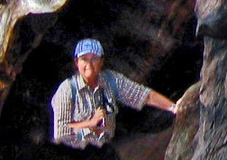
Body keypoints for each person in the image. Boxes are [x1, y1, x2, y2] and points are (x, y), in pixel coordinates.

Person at [50, 38, 179, 148]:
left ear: (101, 61)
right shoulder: (67, 89)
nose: (89, 64)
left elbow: (144, 96)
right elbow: (61, 131)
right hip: (71, 153)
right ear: (77, 63)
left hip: (103, 149)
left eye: (94, 59)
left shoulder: (111, 80)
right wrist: (90, 123)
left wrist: (173, 107)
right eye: (84, 59)